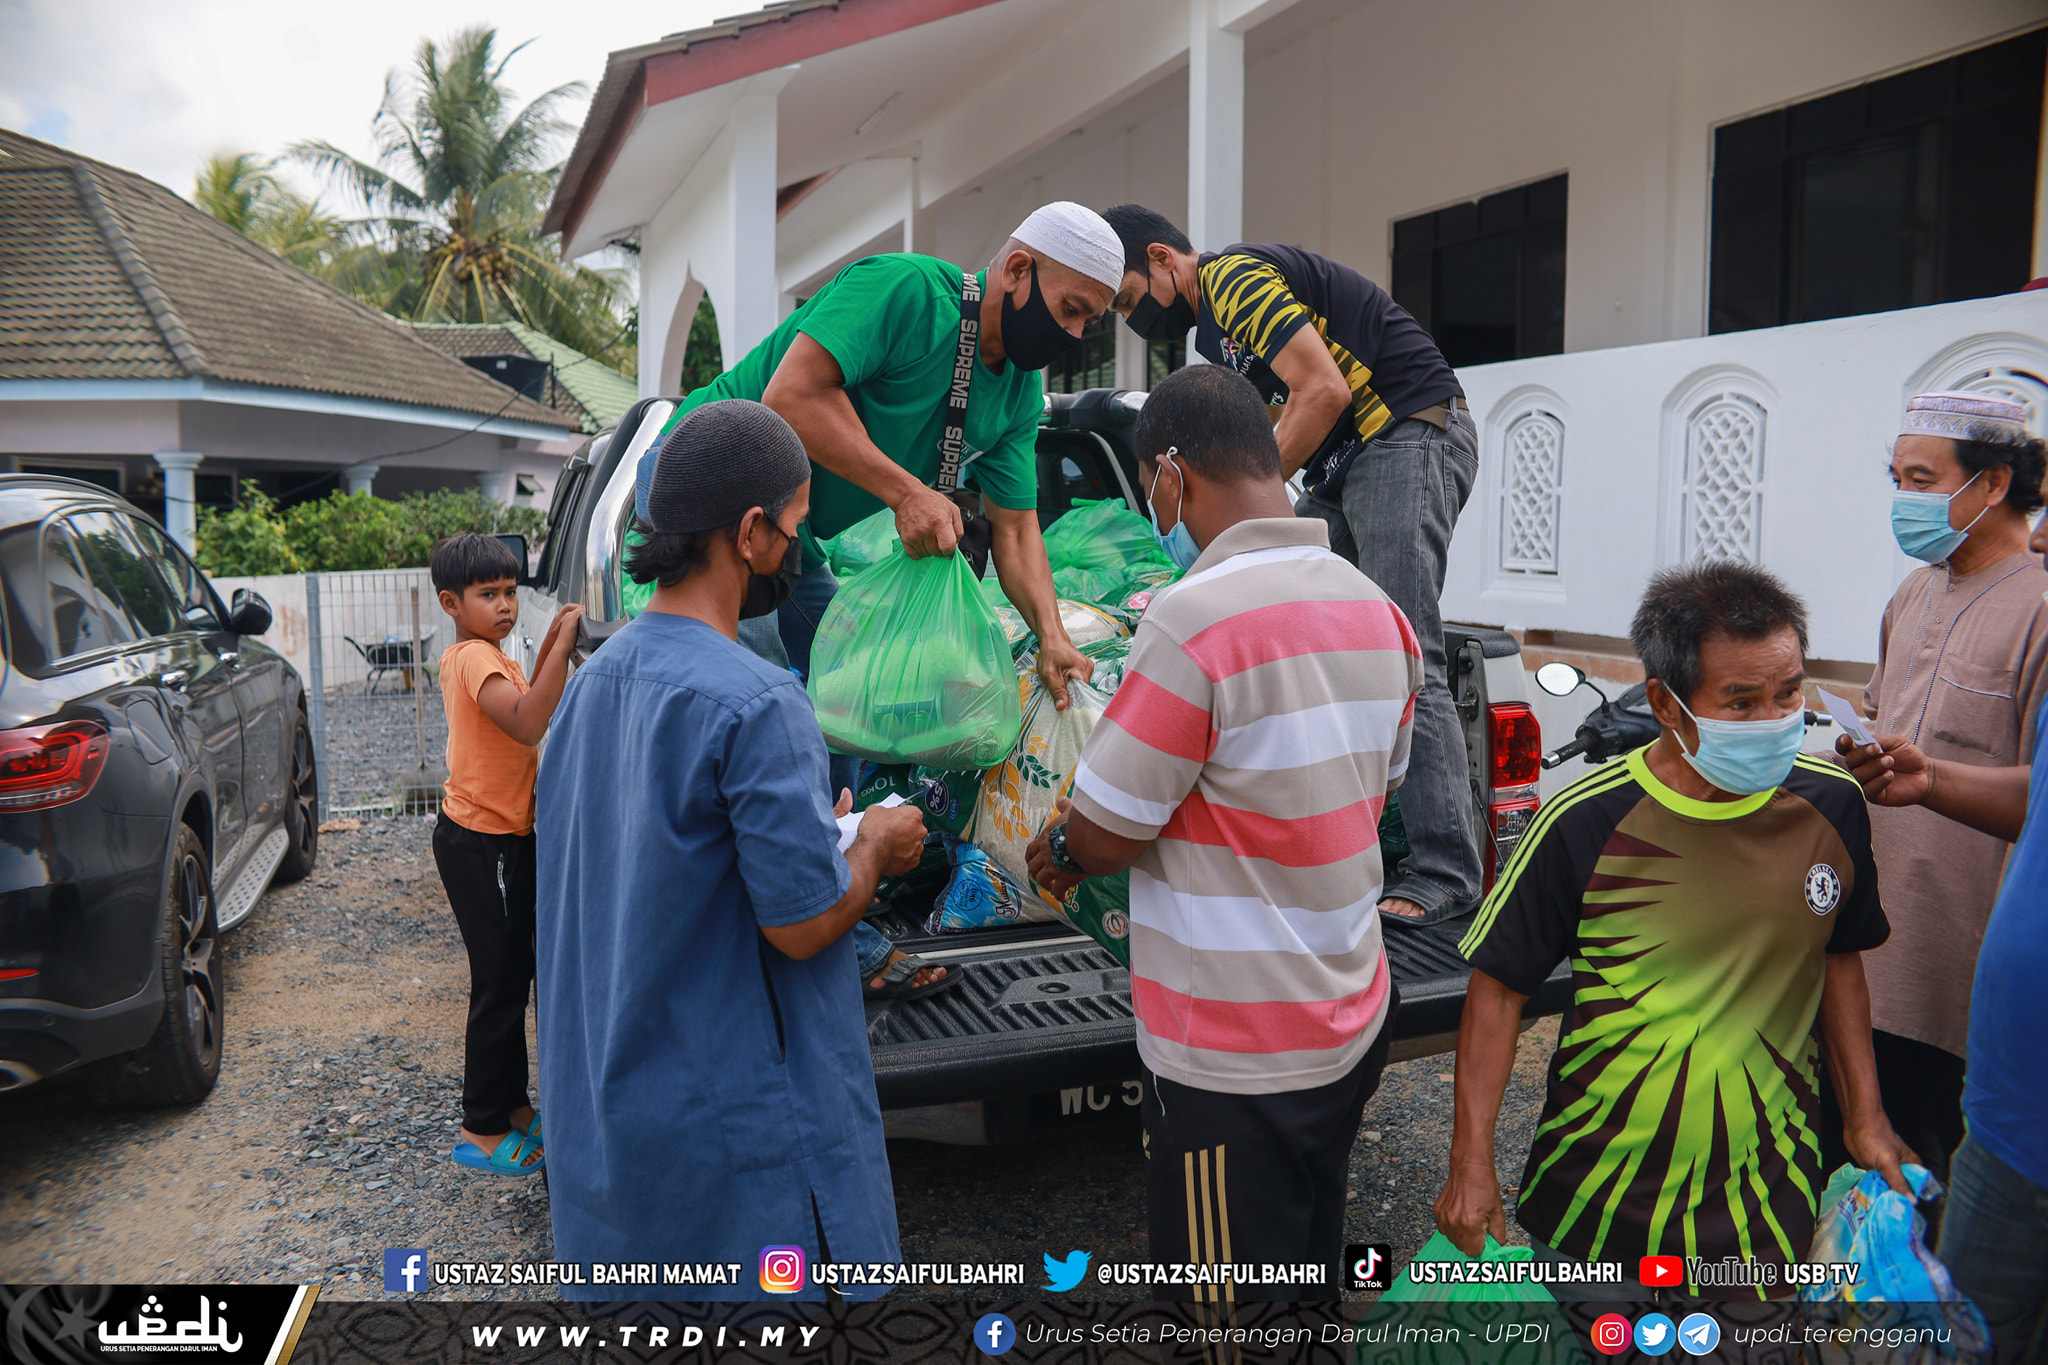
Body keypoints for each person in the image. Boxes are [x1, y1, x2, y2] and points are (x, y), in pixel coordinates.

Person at [1022, 364, 1417, 1299]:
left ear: (1170, 472)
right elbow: (1378, 787)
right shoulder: (1379, 610)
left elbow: (1111, 828)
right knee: (1310, 1279)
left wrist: (1063, 853)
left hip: (1234, 1059)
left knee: (1229, 1317)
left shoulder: (1193, 620)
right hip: (1348, 1016)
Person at [536, 400, 927, 1300]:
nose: (797, 552)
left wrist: (803, 826)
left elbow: (650, 863)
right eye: (795, 529)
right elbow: (801, 925)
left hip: (618, 1136)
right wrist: (867, 841)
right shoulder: (758, 701)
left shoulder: (589, 689)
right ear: (751, 532)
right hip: (742, 1159)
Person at [1435, 561, 1911, 1299]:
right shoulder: (1583, 822)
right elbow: (1498, 990)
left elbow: (1840, 962)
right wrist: (1471, 1162)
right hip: (1596, 1210)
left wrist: (1866, 1117)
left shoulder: (1833, 806)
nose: (1774, 720)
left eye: (1788, 693)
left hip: (1765, 1216)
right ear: (1665, 702)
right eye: (1741, 702)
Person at [1099, 204, 1477, 928]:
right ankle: (1358, 847)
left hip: (1402, 430)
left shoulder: (1232, 277)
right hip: (1348, 463)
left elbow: (1325, 390)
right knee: (1311, 635)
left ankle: (1446, 869)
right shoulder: (1215, 336)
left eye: (1126, 299)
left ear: (1161, 258)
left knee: (1404, 648)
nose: (1130, 317)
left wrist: (1242, 513)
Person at [1840, 419, 2048, 1360]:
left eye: (1921, 478)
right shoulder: (1913, 592)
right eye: (1897, 477)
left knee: (1943, 1230)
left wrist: (1936, 778)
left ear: (1993, 482)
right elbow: (1890, 718)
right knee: (1855, 1188)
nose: (1904, 499)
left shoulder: (2041, 605)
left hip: (1965, 985)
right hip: (1870, 958)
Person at [428, 532, 583, 1176]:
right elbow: (524, 721)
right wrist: (565, 646)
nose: (504, 605)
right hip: (478, 842)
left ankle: (514, 1107)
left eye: (510, 592)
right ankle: (481, 1126)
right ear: (451, 603)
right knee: (496, 984)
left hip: (507, 838)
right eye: (487, 594)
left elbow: (529, 694)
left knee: (514, 975)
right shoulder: (471, 659)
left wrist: (554, 644)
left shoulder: (498, 654)